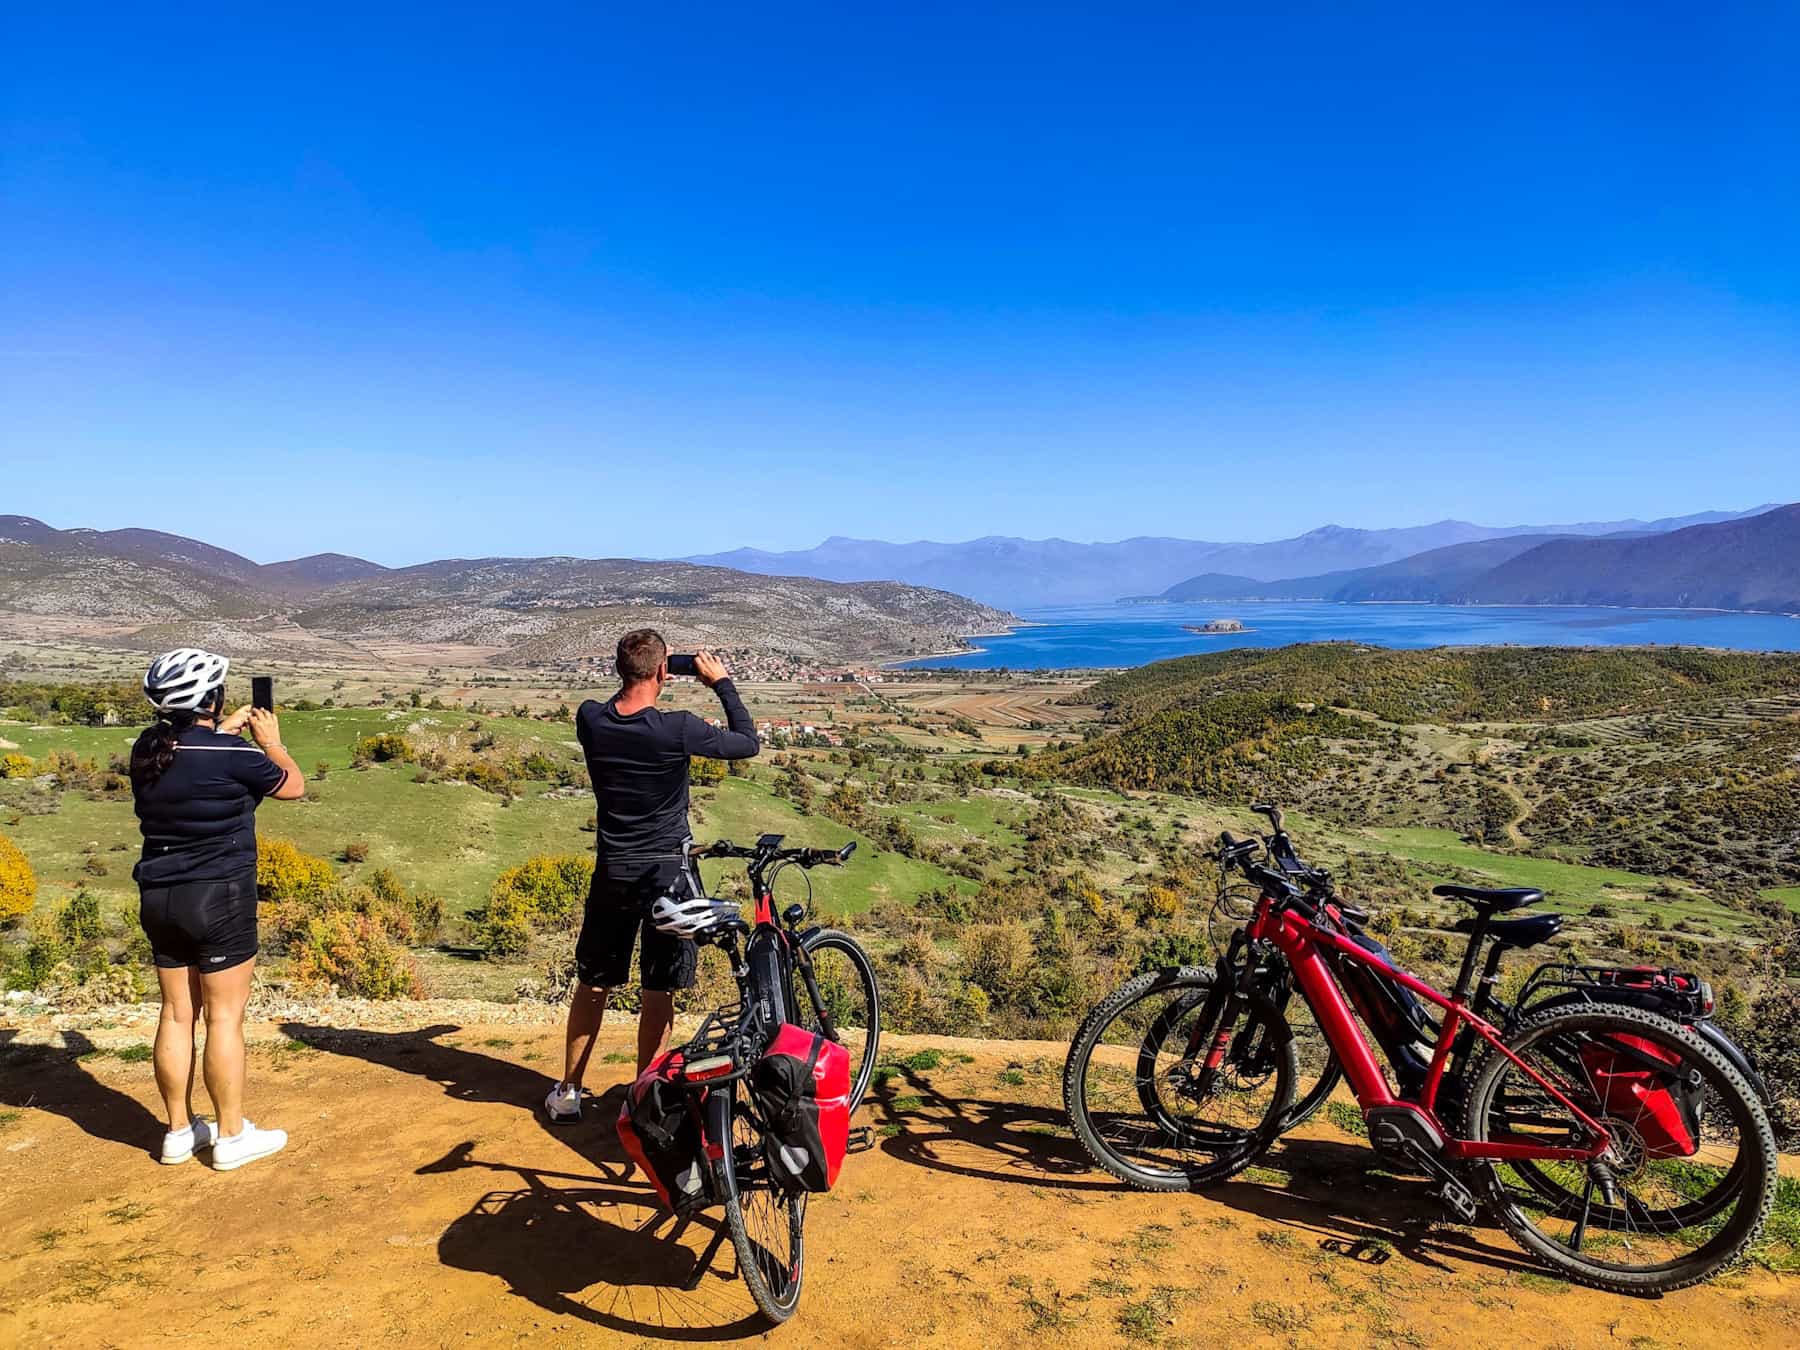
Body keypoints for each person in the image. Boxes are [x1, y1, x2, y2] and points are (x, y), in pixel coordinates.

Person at [544, 630, 758, 1122]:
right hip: (668, 875)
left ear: (619, 668)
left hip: (613, 873)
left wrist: (653, 670)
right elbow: (747, 742)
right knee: (658, 989)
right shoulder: (676, 729)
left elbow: (620, 702)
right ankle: (645, 1099)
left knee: (593, 982)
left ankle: (569, 1091)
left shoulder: (590, 719)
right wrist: (720, 682)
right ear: (664, 671)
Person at [129, 648, 305, 1169]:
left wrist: (221, 731)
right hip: (220, 898)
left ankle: (178, 1132)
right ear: (212, 698)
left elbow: (192, 758)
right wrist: (272, 742)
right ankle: (230, 1136)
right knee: (224, 1017)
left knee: (176, 1014)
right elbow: (292, 787)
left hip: (159, 896)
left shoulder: (147, 749)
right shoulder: (235, 755)